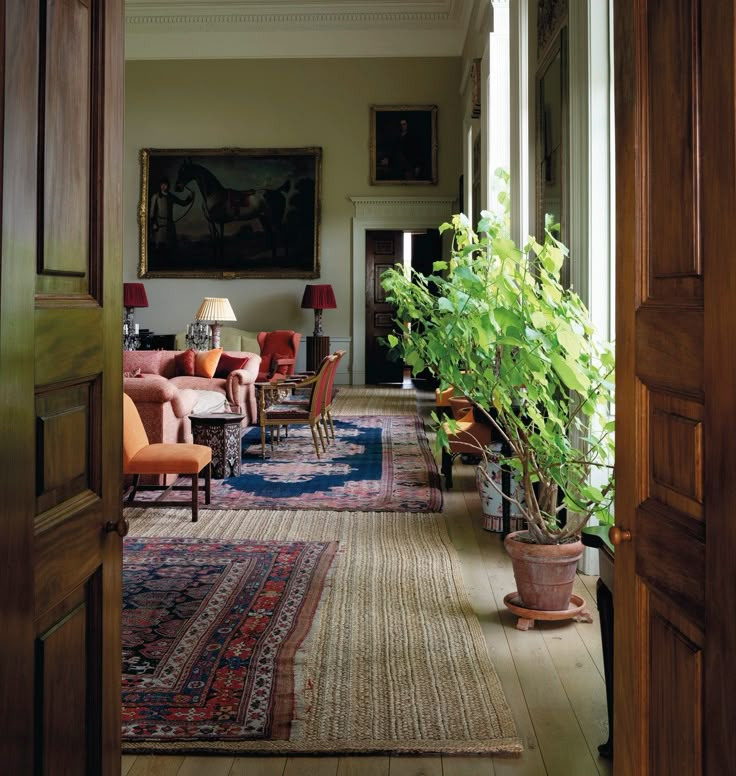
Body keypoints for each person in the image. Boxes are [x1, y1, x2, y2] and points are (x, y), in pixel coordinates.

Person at [149, 178, 192, 260]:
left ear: (168, 186)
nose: (164, 186)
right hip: (159, 225)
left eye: (166, 184)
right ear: (160, 185)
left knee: (171, 247)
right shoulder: (156, 196)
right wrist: (154, 223)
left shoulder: (171, 196)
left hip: (170, 224)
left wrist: (190, 197)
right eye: (162, 184)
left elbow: (183, 203)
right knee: (159, 247)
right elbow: (152, 213)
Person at [378, 116, 428, 181]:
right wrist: (388, 159)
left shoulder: (412, 137)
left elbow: (417, 152)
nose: (402, 126)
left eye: (404, 124)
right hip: (399, 166)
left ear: (407, 125)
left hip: (409, 166)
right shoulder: (397, 137)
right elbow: (394, 151)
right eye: (401, 125)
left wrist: (418, 166)